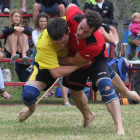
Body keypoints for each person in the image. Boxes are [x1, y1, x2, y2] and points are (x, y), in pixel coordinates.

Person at [56, 4, 140, 135]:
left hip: (94, 60)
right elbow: (71, 5)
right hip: (76, 55)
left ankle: (119, 127)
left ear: (95, 31)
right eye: (81, 27)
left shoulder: (95, 42)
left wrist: (53, 59)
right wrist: (63, 23)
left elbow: (77, 61)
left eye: (86, 32)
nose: (80, 32)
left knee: (106, 86)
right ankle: (88, 115)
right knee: (75, 93)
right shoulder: (73, 15)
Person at [18, 17, 91, 123]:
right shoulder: (43, 44)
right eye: (57, 43)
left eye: (64, 41)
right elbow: (56, 72)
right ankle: (30, 110)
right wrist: (80, 64)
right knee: (28, 95)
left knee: (77, 93)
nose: (62, 45)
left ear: (68, 30)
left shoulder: (73, 22)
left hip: (73, 59)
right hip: (49, 65)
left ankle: (88, 115)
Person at [15, 17, 34, 82]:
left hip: (31, 61)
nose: (25, 24)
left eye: (26, 22)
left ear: (28, 22)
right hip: (20, 62)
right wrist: (28, 45)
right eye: (23, 22)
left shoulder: (33, 30)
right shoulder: (17, 31)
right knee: (24, 83)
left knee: (32, 83)